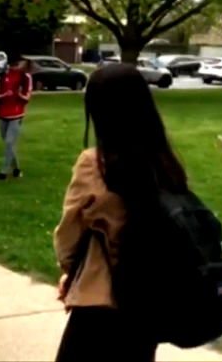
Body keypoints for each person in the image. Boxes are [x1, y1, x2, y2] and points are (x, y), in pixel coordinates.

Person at [53, 64, 186, 361]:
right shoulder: (166, 163)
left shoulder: (95, 163)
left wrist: (69, 271)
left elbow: (69, 233)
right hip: (147, 305)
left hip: (100, 304)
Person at [0, 54, 32, 180]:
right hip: (2, 113)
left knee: (10, 142)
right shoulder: (3, 76)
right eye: (22, 63)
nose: (23, 65)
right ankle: (16, 169)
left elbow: (27, 97)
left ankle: (3, 171)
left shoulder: (25, 77)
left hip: (16, 114)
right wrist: (5, 95)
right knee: (8, 144)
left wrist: (18, 95)